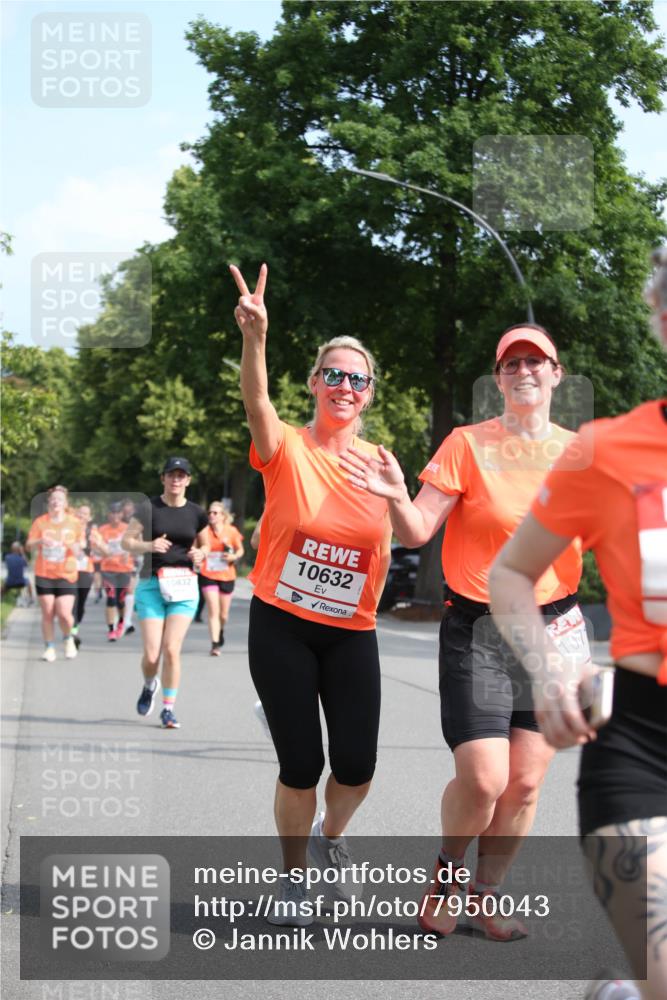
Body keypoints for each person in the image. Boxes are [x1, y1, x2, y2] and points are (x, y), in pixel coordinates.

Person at [342, 323, 585, 941]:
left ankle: (486, 894)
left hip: (554, 631)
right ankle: (447, 877)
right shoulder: (466, 444)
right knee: (485, 779)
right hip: (478, 626)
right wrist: (397, 497)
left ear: (557, 373)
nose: (525, 371)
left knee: (527, 782)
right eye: (512, 364)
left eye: (537, 361)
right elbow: (418, 529)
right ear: (498, 378)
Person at [489, 251, 667, 1000]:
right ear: (660, 318)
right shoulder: (605, 451)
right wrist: (554, 669)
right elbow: (509, 573)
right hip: (641, 748)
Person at [230, 262, 391, 925]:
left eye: (357, 378)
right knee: (301, 763)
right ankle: (293, 877)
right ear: (314, 384)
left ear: (369, 393)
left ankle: (331, 836)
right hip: (282, 624)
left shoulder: (381, 462)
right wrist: (255, 338)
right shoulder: (288, 446)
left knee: (355, 764)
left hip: (351, 631)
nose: (344, 385)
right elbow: (255, 402)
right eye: (333, 374)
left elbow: (410, 524)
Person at [121, 458, 208, 729]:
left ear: (188, 480)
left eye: (181, 475)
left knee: (171, 649)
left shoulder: (196, 513)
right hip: (151, 585)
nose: (176, 480)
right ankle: (150, 685)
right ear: (163, 479)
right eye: (171, 475)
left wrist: (200, 553)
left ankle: (168, 709)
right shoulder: (148, 508)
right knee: (151, 655)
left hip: (183, 586)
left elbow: (206, 546)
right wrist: (149, 545)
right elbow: (127, 541)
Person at [25, 485, 83, 661]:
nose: (56, 502)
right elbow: (29, 545)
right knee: (48, 612)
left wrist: (71, 544)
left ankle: (68, 639)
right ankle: (49, 647)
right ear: (49, 502)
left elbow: (81, 549)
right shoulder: (41, 522)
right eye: (53, 499)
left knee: (65, 613)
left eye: (60, 499)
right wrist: (41, 540)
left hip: (67, 573)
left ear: (65, 503)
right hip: (44, 573)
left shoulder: (74, 522)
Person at [199, 503, 244, 656]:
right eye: (210, 512)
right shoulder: (203, 531)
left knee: (223, 615)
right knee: (213, 609)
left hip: (227, 575)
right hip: (208, 574)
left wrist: (234, 556)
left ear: (223, 516)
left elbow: (240, 549)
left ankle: (220, 629)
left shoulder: (231, 531)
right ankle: (215, 644)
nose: (212, 515)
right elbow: (196, 547)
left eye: (215, 513)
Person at [94, 501, 135, 641]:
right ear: (108, 515)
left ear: (122, 514)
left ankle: (122, 623)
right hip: (108, 569)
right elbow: (95, 548)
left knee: (121, 600)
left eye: (118, 513)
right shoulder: (102, 530)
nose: (115, 516)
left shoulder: (128, 528)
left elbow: (135, 545)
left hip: (124, 569)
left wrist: (129, 552)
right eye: (112, 513)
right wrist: (101, 550)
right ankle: (111, 629)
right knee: (111, 599)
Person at [71, 504, 96, 648]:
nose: (81, 516)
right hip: (69, 571)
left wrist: (99, 546)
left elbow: (105, 551)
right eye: (79, 513)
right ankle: (72, 632)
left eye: (85, 514)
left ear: (89, 517)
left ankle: (75, 626)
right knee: (72, 602)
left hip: (86, 570)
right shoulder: (68, 529)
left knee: (81, 603)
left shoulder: (93, 532)